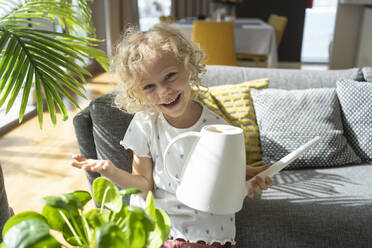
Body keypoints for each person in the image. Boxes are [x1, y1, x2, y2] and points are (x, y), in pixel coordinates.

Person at [71, 23, 273, 248]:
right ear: (138, 92)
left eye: (170, 76)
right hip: (162, 230)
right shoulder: (145, 124)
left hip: (207, 233)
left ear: (188, 68)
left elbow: (222, 177)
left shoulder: (217, 126)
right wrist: (111, 171)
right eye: (149, 86)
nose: (163, 91)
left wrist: (249, 178)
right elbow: (142, 185)